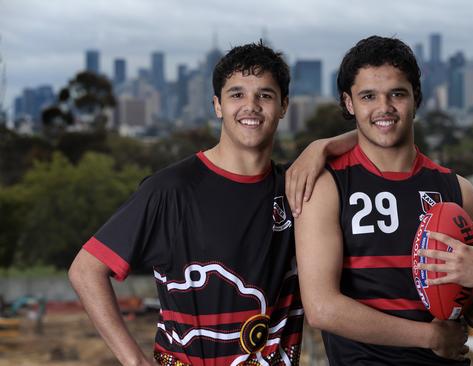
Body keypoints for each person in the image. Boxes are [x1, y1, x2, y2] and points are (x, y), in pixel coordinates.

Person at [68, 41, 355, 366]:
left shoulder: (296, 188)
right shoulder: (171, 190)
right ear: (217, 105)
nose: (251, 106)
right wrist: (134, 360)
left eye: (265, 95)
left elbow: (379, 135)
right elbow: (86, 269)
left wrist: (323, 146)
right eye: (237, 95)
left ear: (284, 105)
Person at [295, 36, 473, 365]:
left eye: (397, 94)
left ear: (416, 98)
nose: (385, 107)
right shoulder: (327, 186)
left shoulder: (458, 191)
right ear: (349, 103)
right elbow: (322, 309)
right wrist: (428, 337)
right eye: (368, 96)